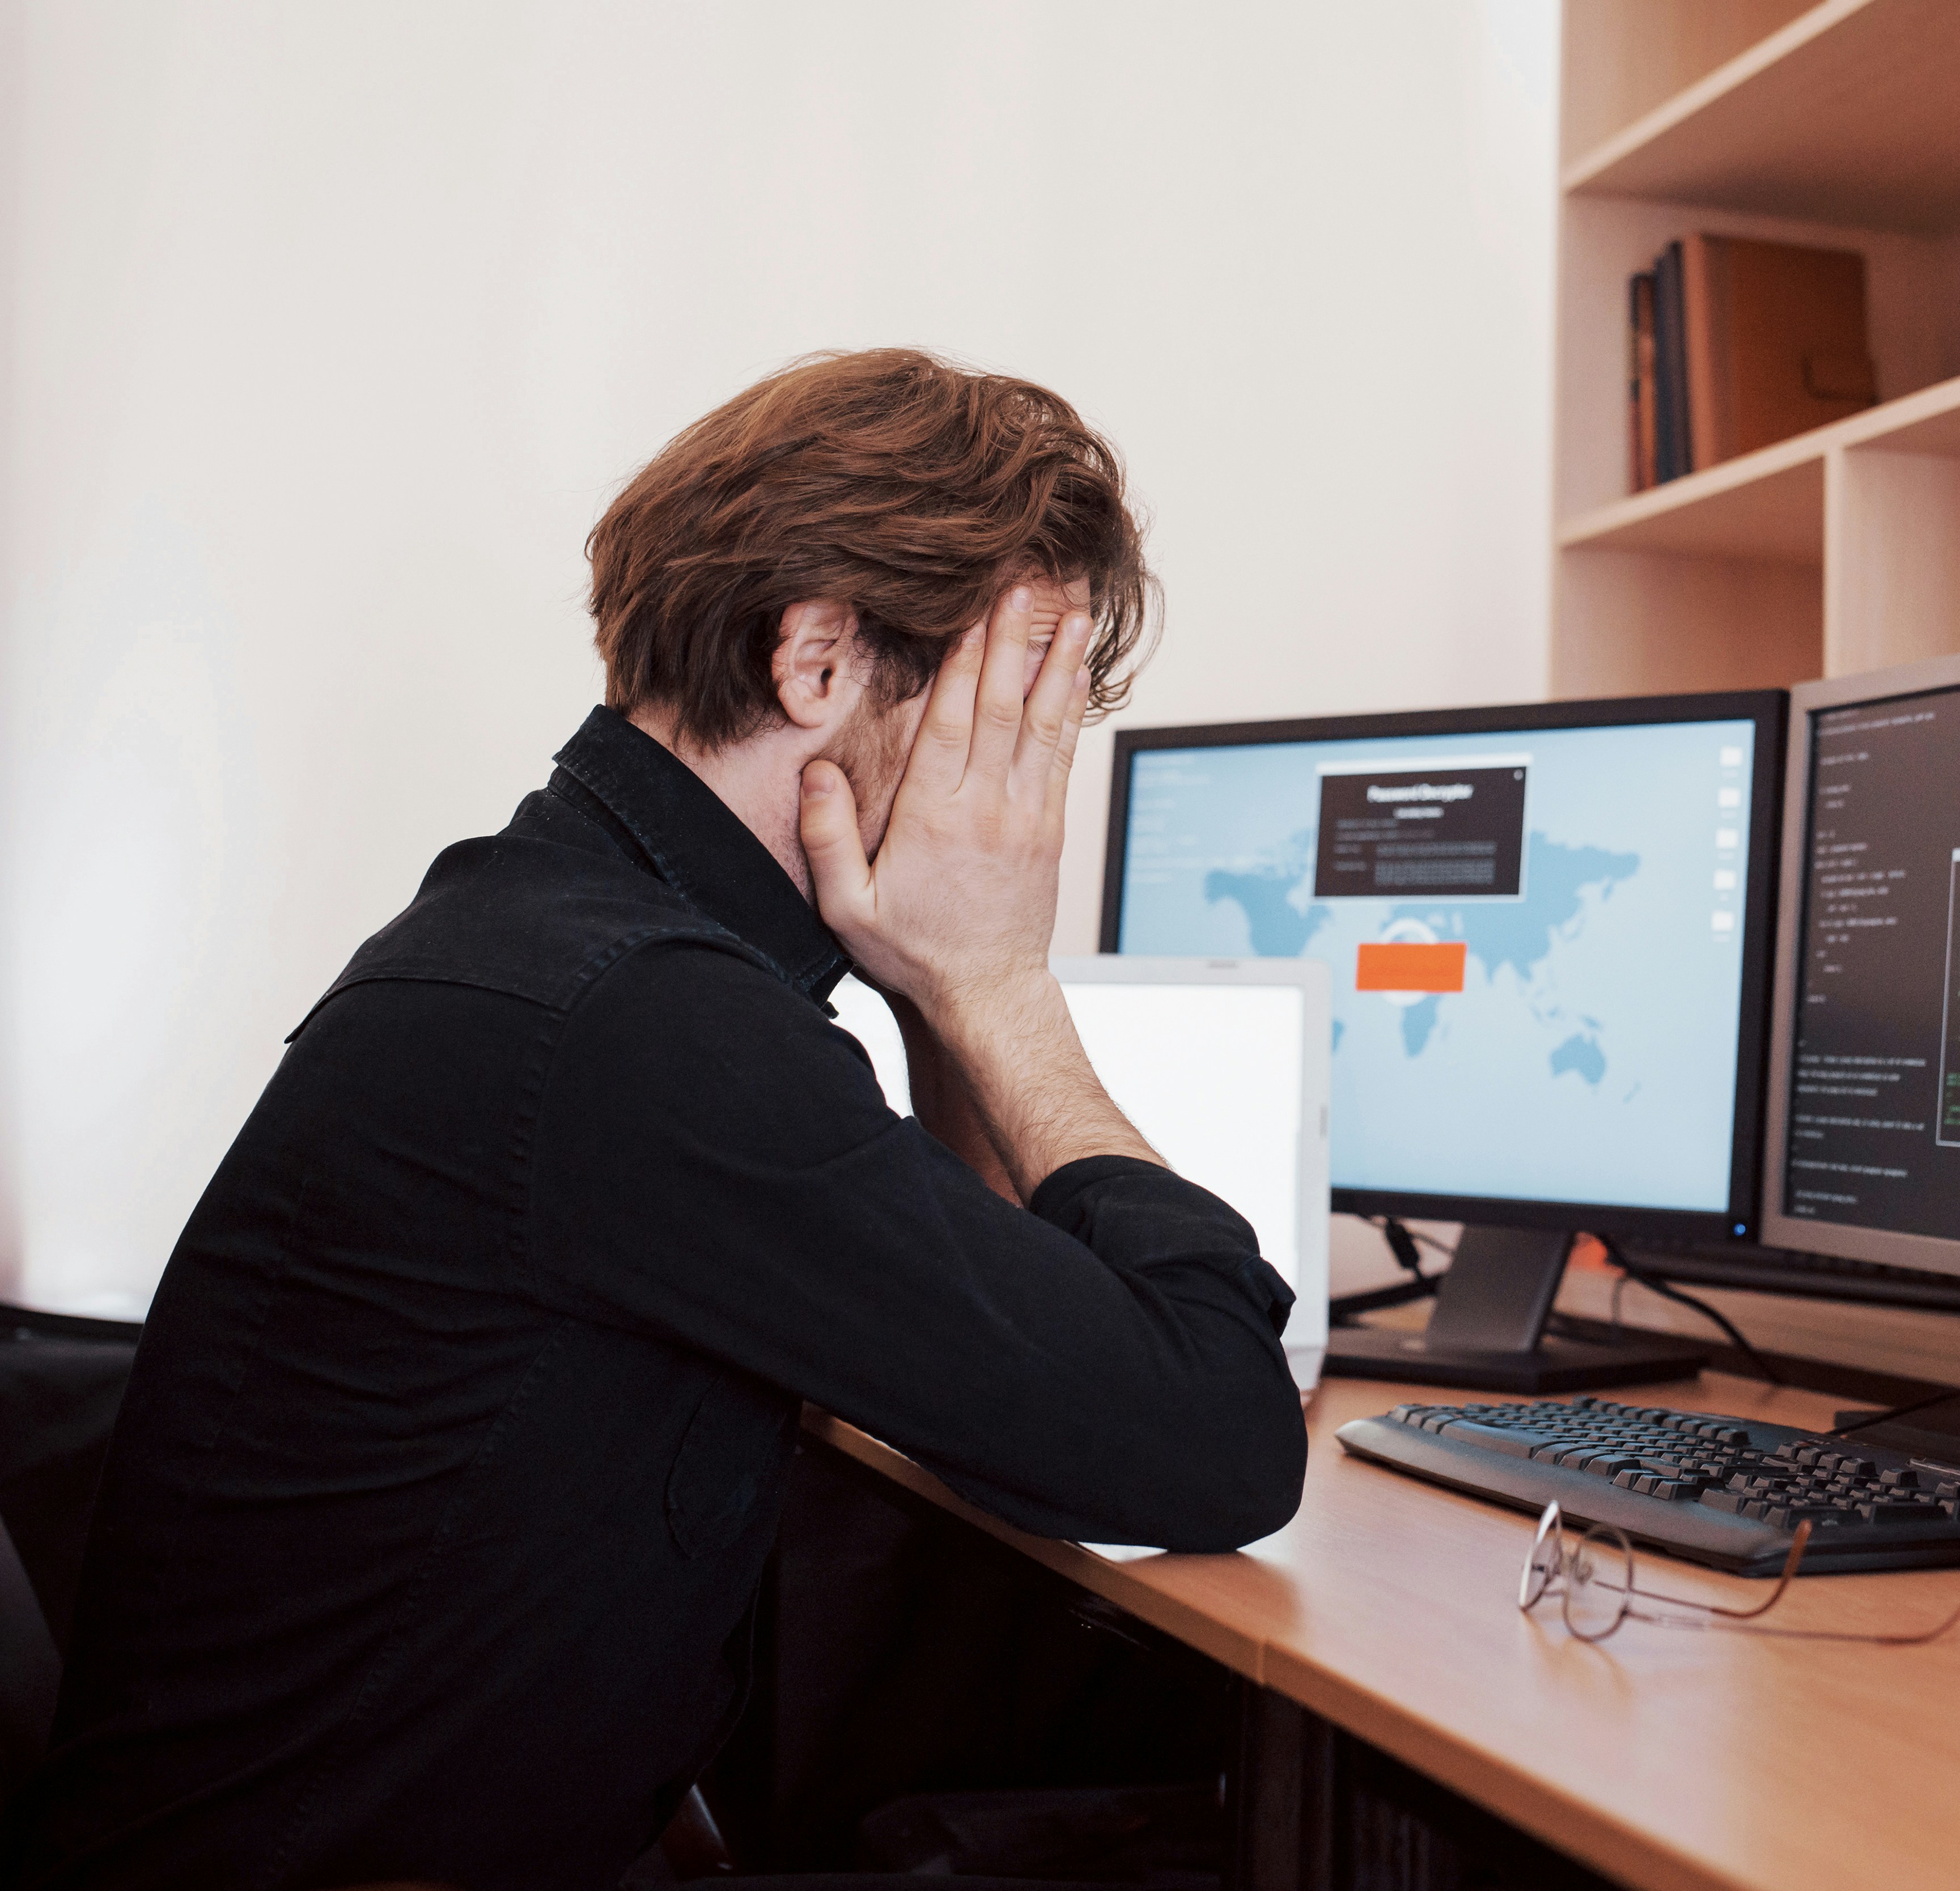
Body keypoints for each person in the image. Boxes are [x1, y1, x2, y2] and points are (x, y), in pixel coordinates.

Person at [3, 351, 1308, 1889]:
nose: (1027, 779)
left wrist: (941, 989)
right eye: (1008, 708)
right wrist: (1004, 984)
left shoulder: (556, 933)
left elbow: (1030, 1410)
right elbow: (1217, 1437)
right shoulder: (636, 1021)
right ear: (818, 660)